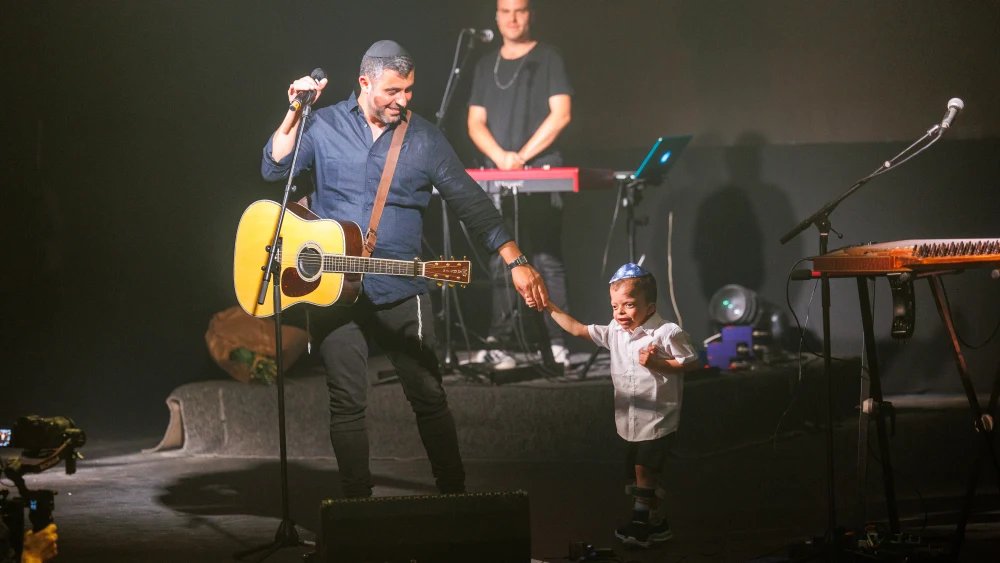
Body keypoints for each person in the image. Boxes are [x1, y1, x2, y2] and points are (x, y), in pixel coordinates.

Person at [261, 40, 549, 497]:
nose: (403, 100)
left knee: (429, 398)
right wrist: (296, 110)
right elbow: (274, 168)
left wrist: (516, 260)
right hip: (334, 289)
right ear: (364, 83)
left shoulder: (425, 139)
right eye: (393, 90)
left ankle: (455, 496)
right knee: (346, 404)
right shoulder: (324, 124)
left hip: (401, 289)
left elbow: (472, 205)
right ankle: (356, 508)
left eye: (409, 90)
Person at [542, 264, 699, 548]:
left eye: (629, 305)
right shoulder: (616, 330)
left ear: (649, 307)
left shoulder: (665, 332)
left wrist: (656, 363)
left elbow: (691, 361)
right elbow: (577, 329)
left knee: (644, 468)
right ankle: (655, 522)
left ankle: (640, 521)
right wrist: (547, 305)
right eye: (615, 306)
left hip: (658, 416)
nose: (620, 312)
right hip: (630, 417)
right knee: (638, 471)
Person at [467, 0, 573, 369]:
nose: (513, 18)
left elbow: (561, 114)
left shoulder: (549, 57)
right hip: (499, 171)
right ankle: (501, 340)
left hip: (539, 170)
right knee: (503, 259)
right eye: (506, 11)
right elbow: (475, 122)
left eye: (521, 10)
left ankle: (557, 341)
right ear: (496, 17)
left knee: (545, 257)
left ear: (530, 15)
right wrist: (501, 158)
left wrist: (521, 157)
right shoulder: (484, 64)